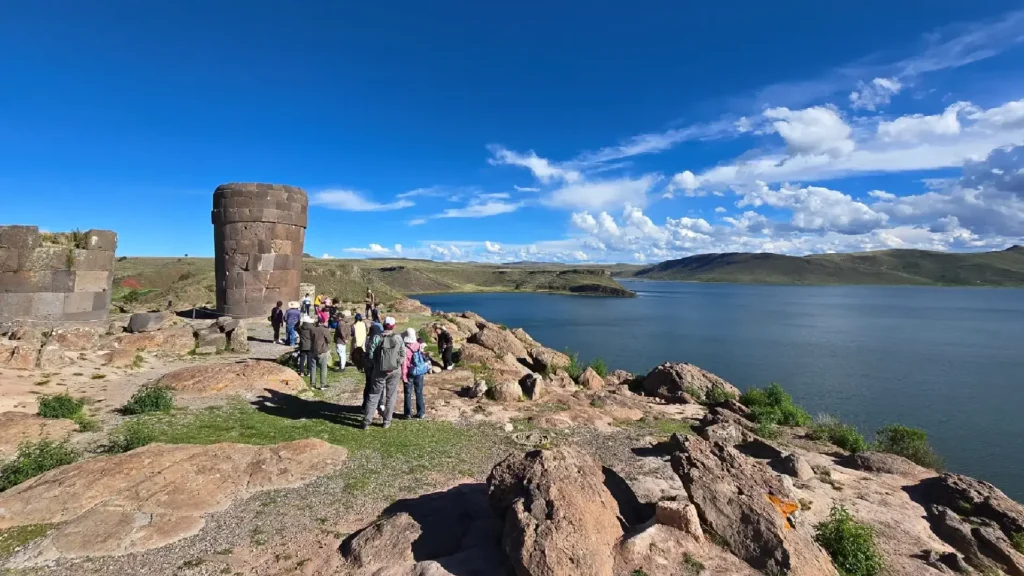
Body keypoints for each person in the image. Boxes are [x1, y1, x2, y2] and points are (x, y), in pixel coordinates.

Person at [362, 317, 404, 429]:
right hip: (395, 371)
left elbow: (370, 353)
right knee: (391, 396)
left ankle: (367, 421)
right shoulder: (398, 338)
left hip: (379, 370)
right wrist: (396, 364)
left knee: (374, 394)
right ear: (393, 326)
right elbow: (402, 354)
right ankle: (387, 421)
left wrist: (376, 364)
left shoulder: (377, 337)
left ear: (384, 325)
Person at [402, 328, 428, 420]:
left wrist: (404, 376)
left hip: (409, 372)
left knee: (408, 393)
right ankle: (421, 412)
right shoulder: (418, 345)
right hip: (419, 371)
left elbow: (404, 364)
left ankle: (407, 414)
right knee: (419, 392)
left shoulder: (405, 348)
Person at [361, 319, 384, 410]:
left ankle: (365, 405)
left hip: (368, 366)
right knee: (379, 385)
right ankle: (379, 403)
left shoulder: (367, 339)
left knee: (368, 385)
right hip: (376, 365)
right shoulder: (379, 339)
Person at [309, 319, 332, 390]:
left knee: (313, 368)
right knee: (323, 367)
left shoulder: (312, 329)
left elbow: (311, 339)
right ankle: (323, 384)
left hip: (313, 350)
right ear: (324, 322)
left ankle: (312, 384)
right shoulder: (325, 330)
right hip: (322, 350)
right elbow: (329, 340)